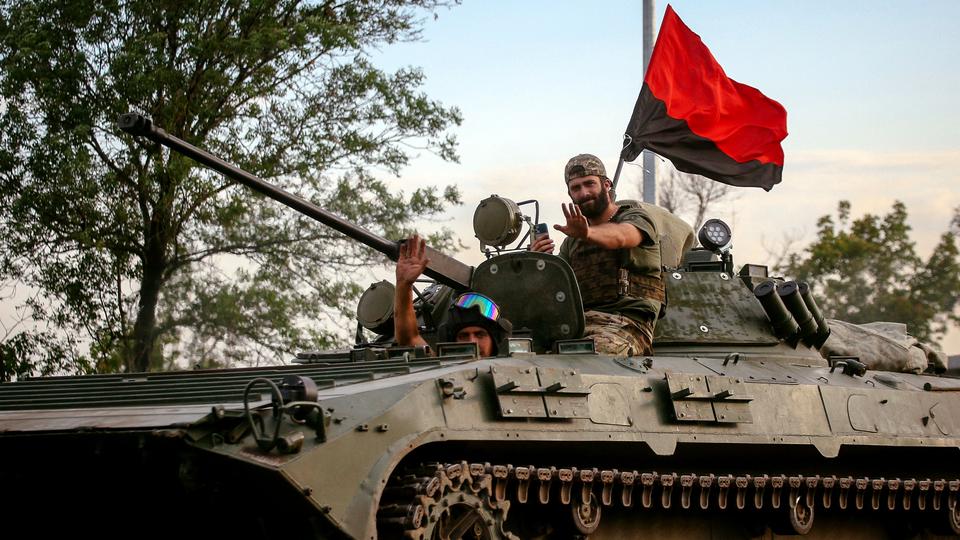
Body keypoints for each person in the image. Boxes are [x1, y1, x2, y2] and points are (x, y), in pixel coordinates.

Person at [531, 154, 664, 356]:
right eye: (576, 188)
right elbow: (557, 293)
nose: (584, 193)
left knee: (587, 358)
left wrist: (587, 233)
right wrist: (541, 262)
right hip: (578, 326)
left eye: (589, 184)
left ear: (607, 184)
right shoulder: (572, 242)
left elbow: (621, 237)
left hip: (627, 325)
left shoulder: (635, 218)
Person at [394, 234, 511, 357]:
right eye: (463, 336)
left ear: (494, 340)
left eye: (480, 334)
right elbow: (409, 338)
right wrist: (404, 284)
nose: (472, 342)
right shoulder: (442, 368)